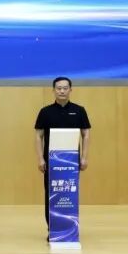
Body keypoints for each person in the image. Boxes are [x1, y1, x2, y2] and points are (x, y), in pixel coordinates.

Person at [33, 77, 91, 233]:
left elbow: (86, 134)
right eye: (59, 88)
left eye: (65, 88)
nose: (62, 91)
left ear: (70, 90)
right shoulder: (45, 112)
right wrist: (40, 158)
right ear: (53, 90)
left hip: (72, 161)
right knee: (51, 193)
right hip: (51, 161)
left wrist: (84, 157)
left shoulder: (79, 110)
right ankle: (53, 228)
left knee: (70, 192)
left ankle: (70, 226)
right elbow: (38, 136)